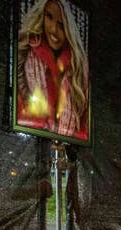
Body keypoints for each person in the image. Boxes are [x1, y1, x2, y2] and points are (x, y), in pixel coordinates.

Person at [16, 0, 89, 140]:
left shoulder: (79, 67)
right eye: (49, 17)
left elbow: (83, 128)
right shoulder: (26, 51)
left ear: (69, 31)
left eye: (61, 25)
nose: (53, 29)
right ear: (41, 16)